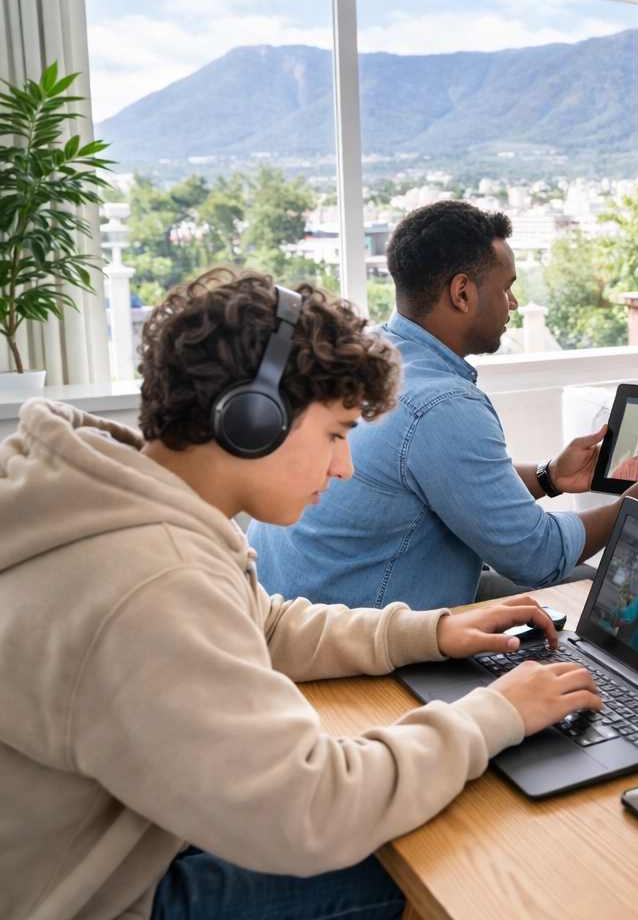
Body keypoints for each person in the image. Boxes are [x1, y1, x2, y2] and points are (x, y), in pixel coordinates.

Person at [0, 269, 605, 920]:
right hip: (97, 902)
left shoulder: (125, 502)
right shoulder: (152, 579)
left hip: (108, 841)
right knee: (449, 868)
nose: (343, 466)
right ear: (252, 420)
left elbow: (263, 625)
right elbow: (314, 808)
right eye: (337, 433)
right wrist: (495, 714)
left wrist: (427, 633)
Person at [249, 201, 638, 611]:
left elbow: (438, 480)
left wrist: (548, 476)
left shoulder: (367, 351)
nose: (513, 303)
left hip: (288, 606)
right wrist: (631, 510)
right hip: (358, 633)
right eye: (507, 288)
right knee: (587, 587)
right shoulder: (443, 404)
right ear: (462, 292)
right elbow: (538, 557)